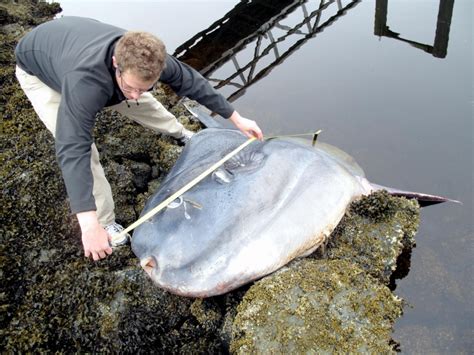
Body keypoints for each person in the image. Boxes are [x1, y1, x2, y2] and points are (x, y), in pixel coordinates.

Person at [15, 16, 263, 261]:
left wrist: (236, 118)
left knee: (142, 103)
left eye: (144, 87)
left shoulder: (152, 62)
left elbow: (193, 83)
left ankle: (181, 133)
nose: (134, 95)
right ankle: (106, 221)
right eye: (130, 87)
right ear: (116, 63)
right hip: (39, 72)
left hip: (71, 43)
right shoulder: (86, 84)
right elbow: (72, 149)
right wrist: (88, 224)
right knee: (86, 150)